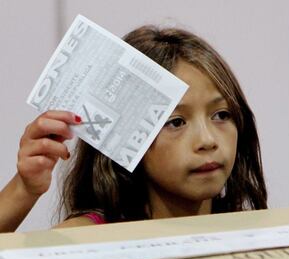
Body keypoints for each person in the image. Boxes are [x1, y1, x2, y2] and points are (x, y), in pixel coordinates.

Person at [7, 26, 268, 230]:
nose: (208, 140)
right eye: (175, 121)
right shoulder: (87, 239)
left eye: (221, 115)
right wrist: (23, 189)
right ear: (124, 137)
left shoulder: (254, 236)